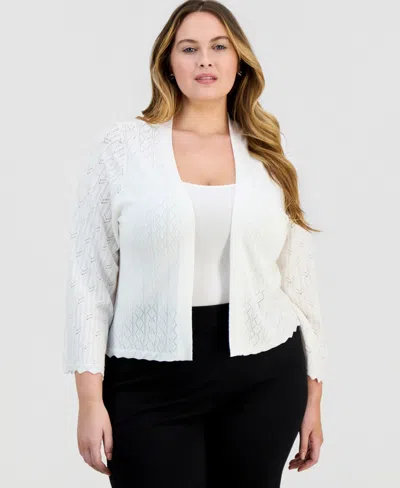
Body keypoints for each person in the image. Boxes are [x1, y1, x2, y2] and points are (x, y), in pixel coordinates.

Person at [63, 1, 328, 487]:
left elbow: (298, 281)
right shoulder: (122, 149)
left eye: (218, 47)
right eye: (189, 48)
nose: (205, 59)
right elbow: (89, 279)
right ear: (168, 62)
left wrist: (313, 398)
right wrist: (88, 400)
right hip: (147, 379)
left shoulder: (268, 148)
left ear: (238, 60)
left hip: (265, 377)